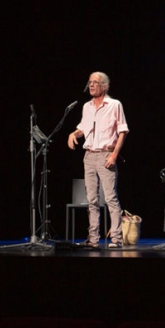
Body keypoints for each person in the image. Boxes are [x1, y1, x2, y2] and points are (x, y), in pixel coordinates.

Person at [67, 72, 129, 248]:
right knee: (91, 200)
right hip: (89, 156)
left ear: (104, 86)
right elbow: (83, 128)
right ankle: (93, 239)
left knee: (110, 198)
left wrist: (114, 154)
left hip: (106, 154)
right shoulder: (87, 106)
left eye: (95, 82)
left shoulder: (114, 105)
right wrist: (73, 134)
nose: (91, 85)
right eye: (90, 82)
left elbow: (123, 131)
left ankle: (116, 238)